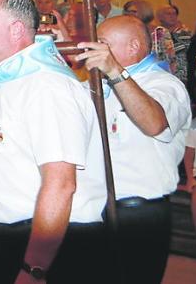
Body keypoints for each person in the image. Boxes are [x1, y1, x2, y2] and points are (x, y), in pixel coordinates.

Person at [0, 0, 106, 284]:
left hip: (50, 243)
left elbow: (61, 184)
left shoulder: (45, 86)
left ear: (16, 29)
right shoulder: (5, 77)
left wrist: (34, 268)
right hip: (8, 237)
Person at [76, 15, 189, 283]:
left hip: (139, 213)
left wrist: (115, 72)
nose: (95, 50)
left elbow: (154, 123)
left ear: (133, 46)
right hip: (95, 209)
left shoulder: (164, 84)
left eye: (103, 44)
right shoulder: (97, 86)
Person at [156, 4, 193, 86]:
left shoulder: (184, 32)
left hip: (184, 74)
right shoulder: (157, 33)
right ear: (160, 17)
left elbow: (186, 49)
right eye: (168, 14)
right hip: (164, 76)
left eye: (174, 13)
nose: (172, 16)